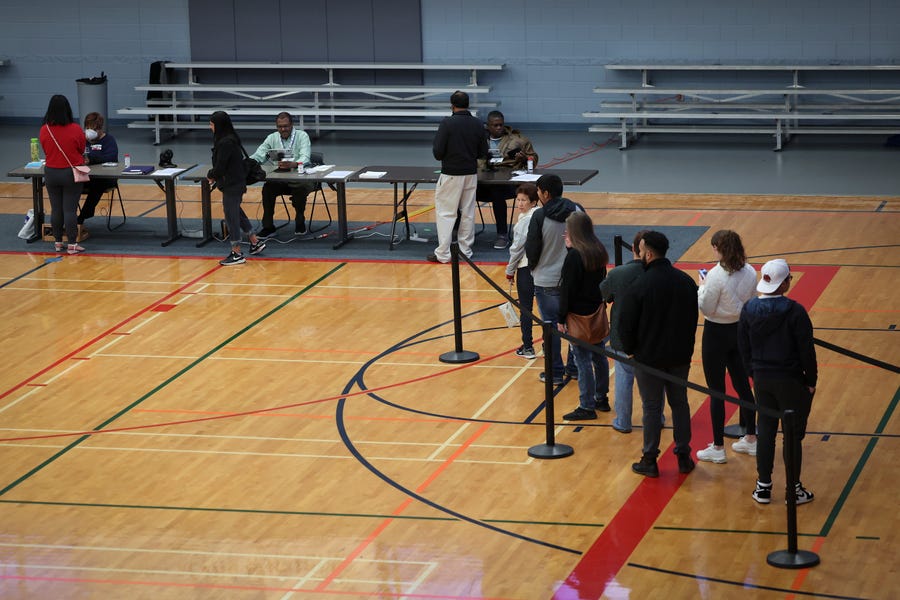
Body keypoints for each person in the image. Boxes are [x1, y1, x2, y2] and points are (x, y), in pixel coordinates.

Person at [619, 231, 698, 477]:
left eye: (641, 250)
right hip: (679, 357)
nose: (639, 254)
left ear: (649, 253)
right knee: (680, 404)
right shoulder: (685, 281)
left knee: (652, 408)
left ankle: (650, 459)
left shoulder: (639, 286)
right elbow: (693, 320)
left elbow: (625, 324)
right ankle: (684, 456)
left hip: (648, 359)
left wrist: (631, 351)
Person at [738, 259, 817, 505]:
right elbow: (806, 350)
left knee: (767, 431)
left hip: (762, 380)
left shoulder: (749, 308)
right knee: (792, 436)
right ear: (784, 283)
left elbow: (744, 347)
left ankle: (763, 487)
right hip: (790, 380)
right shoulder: (795, 311)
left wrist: (754, 372)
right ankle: (793, 490)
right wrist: (811, 379)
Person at [696, 230, 759, 464]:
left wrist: (701, 287)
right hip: (740, 331)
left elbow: (707, 308)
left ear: (718, 249)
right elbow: (751, 299)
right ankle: (751, 437)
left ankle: (718, 447)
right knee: (743, 386)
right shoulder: (751, 271)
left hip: (716, 334)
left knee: (716, 391)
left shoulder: (714, 276)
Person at [524, 174, 582, 384]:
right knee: (574, 325)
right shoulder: (577, 210)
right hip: (574, 280)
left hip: (546, 280)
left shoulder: (539, 216)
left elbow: (532, 247)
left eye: (538, 192)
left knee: (550, 327)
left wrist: (534, 268)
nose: (537, 195)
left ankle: (555, 373)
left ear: (545, 193)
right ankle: (575, 368)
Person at [557, 211, 611, 420]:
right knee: (599, 356)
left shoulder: (574, 256)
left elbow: (568, 289)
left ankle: (586, 405)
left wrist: (561, 318)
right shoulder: (597, 250)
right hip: (596, 311)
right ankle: (601, 398)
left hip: (577, 315)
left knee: (582, 361)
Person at [428, 91, 488, 264]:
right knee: (468, 213)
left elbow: (438, 153)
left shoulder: (447, 123)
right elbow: (483, 152)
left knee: (446, 213)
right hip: (470, 174)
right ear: (468, 104)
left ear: (451, 105)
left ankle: (444, 254)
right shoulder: (477, 124)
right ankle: (465, 251)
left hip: (451, 174)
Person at [600, 229, 649, 433]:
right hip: (650, 339)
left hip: (622, 337)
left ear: (634, 249)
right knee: (653, 385)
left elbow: (603, 294)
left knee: (623, 380)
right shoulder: (659, 274)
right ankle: (658, 418)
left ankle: (623, 421)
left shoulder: (618, 274)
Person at [207, 111, 266, 266]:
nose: (210, 127)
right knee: (236, 213)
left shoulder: (226, 142)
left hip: (232, 185)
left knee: (231, 218)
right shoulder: (231, 138)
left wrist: (211, 174)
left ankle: (237, 252)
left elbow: (220, 166)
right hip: (236, 183)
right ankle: (255, 242)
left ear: (218, 125)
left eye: (211, 124)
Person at [476, 111, 539, 249]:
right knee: (461, 191)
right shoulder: (478, 140)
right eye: (495, 125)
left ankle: (502, 235)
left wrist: (524, 159)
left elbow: (533, 159)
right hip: (481, 184)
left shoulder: (518, 140)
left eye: (501, 125)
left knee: (497, 193)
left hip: (507, 185)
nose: (499, 128)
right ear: (488, 126)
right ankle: (459, 232)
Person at [250, 112, 315, 238]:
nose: (283, 129)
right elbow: (259, 155)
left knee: (299, 188)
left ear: (292, 125)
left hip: (301, 178)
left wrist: (294, 164)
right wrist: (247, 163)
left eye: (286, 126)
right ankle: (268, 227)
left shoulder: (302, 136)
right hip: (280, 179)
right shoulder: (272, 138)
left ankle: (300, 219)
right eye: (280, 127)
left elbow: (305, 157)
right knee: (268, 188)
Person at [38, 94, 87, 254]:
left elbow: (45, 149)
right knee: (69, 210)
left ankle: (58, 242)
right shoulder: (75, 128)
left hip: (51, 172)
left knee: (56, 209)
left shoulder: (44, 129)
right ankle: (72, 244)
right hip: (70, 172)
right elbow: (81, 149)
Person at [504, 183, 540, 359]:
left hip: (526, 269)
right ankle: (550, 347)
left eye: (524, 200)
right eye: (518, 199)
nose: (520, 203)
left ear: (533, 202)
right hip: (544, 267)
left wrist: (510, 270)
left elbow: (517, 249)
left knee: (526, 309)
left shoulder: (524, 221)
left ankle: (528, 347)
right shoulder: (541, 214)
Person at [78, 112, 119, 234]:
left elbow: (111, 157)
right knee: (71, 185)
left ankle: (82, 217)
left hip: (105, 178)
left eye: (93, 128)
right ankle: (67, 219)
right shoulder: (82, 140)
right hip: (85, 176)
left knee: (97, 184)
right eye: (88, 128)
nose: (90, 131)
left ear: (100, 128)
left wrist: (92, 159)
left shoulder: (109, 140)